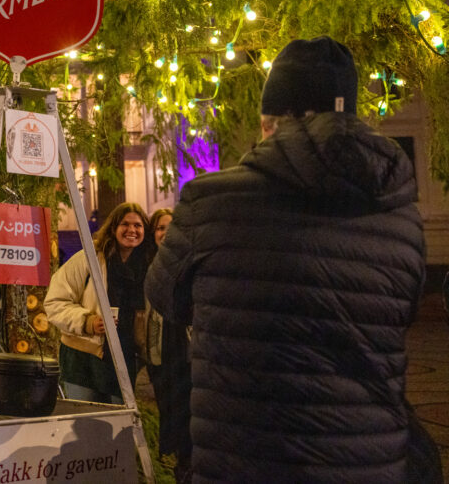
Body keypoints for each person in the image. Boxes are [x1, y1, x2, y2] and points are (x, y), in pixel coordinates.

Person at [146, 36, 434, 483]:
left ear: (269, 123)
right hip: (365, 460)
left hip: (247, 457)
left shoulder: (211, 200)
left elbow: (165, 296)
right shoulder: (400, 215)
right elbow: (404, 314)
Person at [44, 202, 150, 404]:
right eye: (125, 224)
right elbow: (54, 302)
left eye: (138, 225)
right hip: (84, 360)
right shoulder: (88, 260)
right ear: (113, 227)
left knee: (117, 425)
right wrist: (87, 321)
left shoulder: (147, 266)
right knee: (85, 422)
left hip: (124, 359)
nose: (132, 230)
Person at [141, 208, 192, 483]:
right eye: (160, 228)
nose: (166, 232)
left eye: (171, 227)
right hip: (160, 352)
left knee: (189, 417)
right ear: (154, 233)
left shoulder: (191, 260)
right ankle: (178, 469)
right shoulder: (147, 263)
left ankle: (187, 469)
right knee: (169, 413)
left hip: (187, 352)